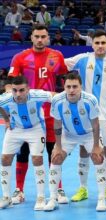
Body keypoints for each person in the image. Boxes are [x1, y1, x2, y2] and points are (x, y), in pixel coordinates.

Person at [7, 24, 69, 205]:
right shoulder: (20, 57)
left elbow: (65, 80)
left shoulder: (56, 56)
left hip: (50, 113)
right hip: (25, 114)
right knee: (23, 151)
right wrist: (12, 108)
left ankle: (57, 188)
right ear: (32, 38)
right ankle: (19, 190)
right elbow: (10, 85)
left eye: (43, 36)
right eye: (37, 36)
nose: (40, 40)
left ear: (48, 38)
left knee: (53, 151)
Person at [65, 29, 106, 202]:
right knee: (84, 151)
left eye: (103, 43)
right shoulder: (82, 59)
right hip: (86, 115)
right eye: (97, 43)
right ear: (92, 44)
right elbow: (59, 64)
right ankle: (83, 188)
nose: (100, 46)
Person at [43, 73, 106, 212]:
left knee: (98, 157)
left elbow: (96, 125)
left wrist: (96, 146)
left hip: (89, 134)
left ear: (81, 87)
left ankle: (101, 198)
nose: (71, 90)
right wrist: (58, 147)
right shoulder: (58, 100)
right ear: (64, 87)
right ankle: (53, 199)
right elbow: (57, 124)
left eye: (75, 87)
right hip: (69, 134)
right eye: (68, 87)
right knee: (56, 158)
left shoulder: (90, 100)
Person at [0, 76, 51, 210]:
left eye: (21, 90)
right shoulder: (6, 98)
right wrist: (6, 119)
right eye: (15, 90)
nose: (18, 94)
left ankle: (40, 197)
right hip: (15, 129)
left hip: (36, 129)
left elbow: (55, 96)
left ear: (28, 89)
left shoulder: (37, 95)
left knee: (37, 159)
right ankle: (6, 197)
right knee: (5, 158)